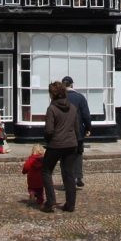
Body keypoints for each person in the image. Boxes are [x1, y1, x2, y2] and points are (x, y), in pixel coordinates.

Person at [41, 80, 79, 213]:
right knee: (69, 173)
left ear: (53, 94)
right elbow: (76, 128)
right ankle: (70, 204)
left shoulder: (52, 108)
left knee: (46, 171)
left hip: (56, 144)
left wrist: (47, 139)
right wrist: (78, 143)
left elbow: (49, 130)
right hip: (71, 144)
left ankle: (50, 202)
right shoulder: (73, 107)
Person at [61, 76, 91, 188]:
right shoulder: (80, 97)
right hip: (78, 132)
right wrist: (88, 128)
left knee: (65, 156)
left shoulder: (59, 98)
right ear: (72, 85)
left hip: (63, 132)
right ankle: (78, 177)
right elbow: (86, 115)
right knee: (78, 154)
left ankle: (67, 181)